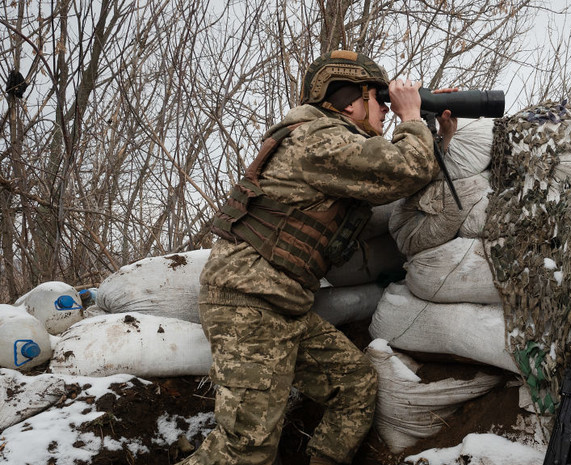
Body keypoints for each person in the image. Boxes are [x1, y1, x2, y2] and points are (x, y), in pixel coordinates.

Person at [177, 50, 457, 465]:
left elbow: (404, 172)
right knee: (245, 450)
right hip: (249, 304)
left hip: (283, 305)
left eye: (387, 101)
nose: (384, 108)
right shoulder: (318, 137)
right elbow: (402, 170)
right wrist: (412, 116)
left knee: (355, 388)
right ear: (348, 101)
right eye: (376, 98)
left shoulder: (334, 146)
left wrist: (436, 134)